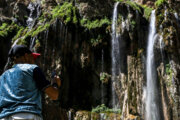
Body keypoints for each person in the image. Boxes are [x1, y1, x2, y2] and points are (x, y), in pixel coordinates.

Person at [0, 45, 61, 120]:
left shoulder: (3, 76)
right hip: (26, 115)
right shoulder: (32, 69)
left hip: (4, 116)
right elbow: (54, 95)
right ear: (26, 56)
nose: (34, 61)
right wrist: (55, 83)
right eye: (33, 57)